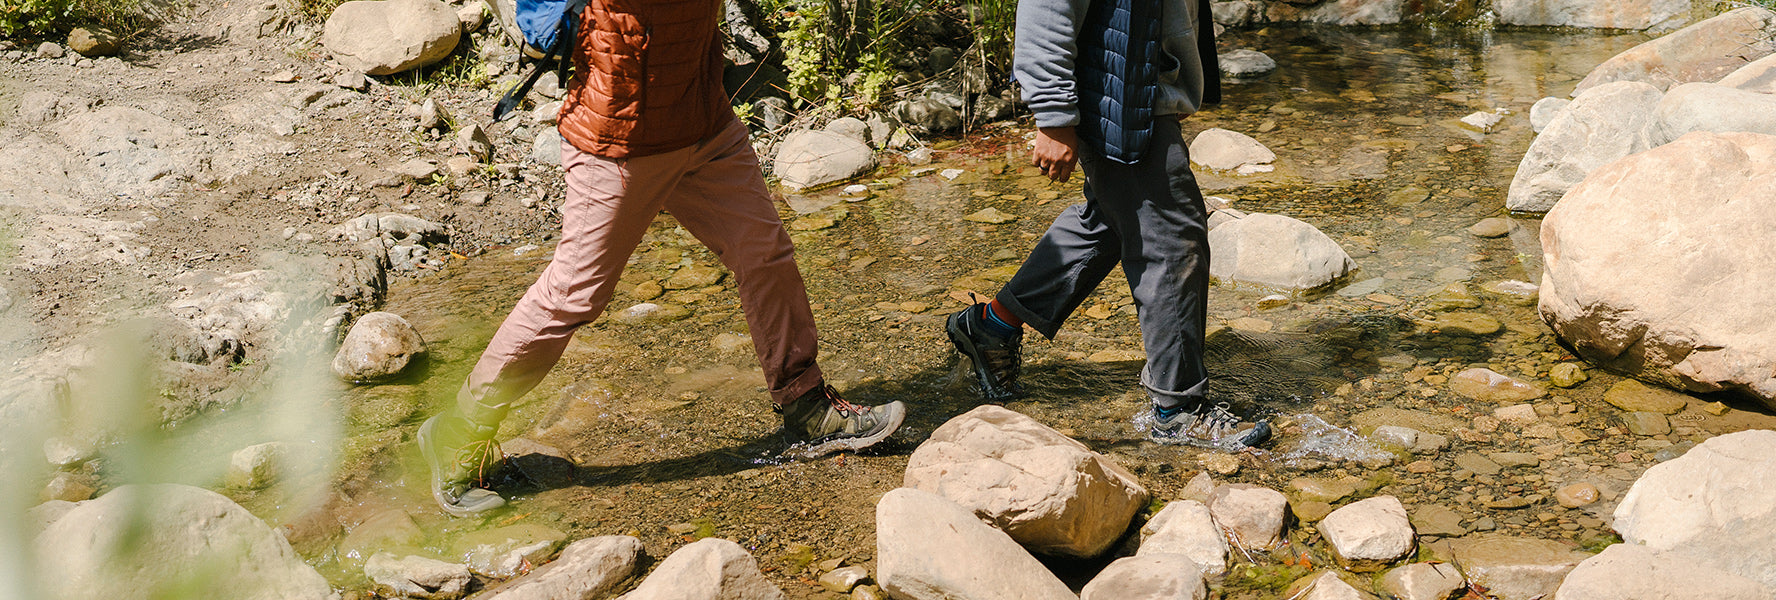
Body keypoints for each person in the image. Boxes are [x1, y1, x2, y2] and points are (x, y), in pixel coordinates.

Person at [417, 0, 906, 517]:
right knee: (573, 295)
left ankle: (806, 406)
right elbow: (546, 28)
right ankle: (457, 431)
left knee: (765, 254)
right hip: (618, 142)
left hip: (705, 125)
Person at [945, 0, 1270, 449]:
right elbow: (1047, 9)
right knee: (1174, 240)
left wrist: (1180, 83)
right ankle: (1179, 411)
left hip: (1140, 90)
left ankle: (992, 326)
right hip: (1120, 99)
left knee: (1110, 222)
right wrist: (1054, 115)